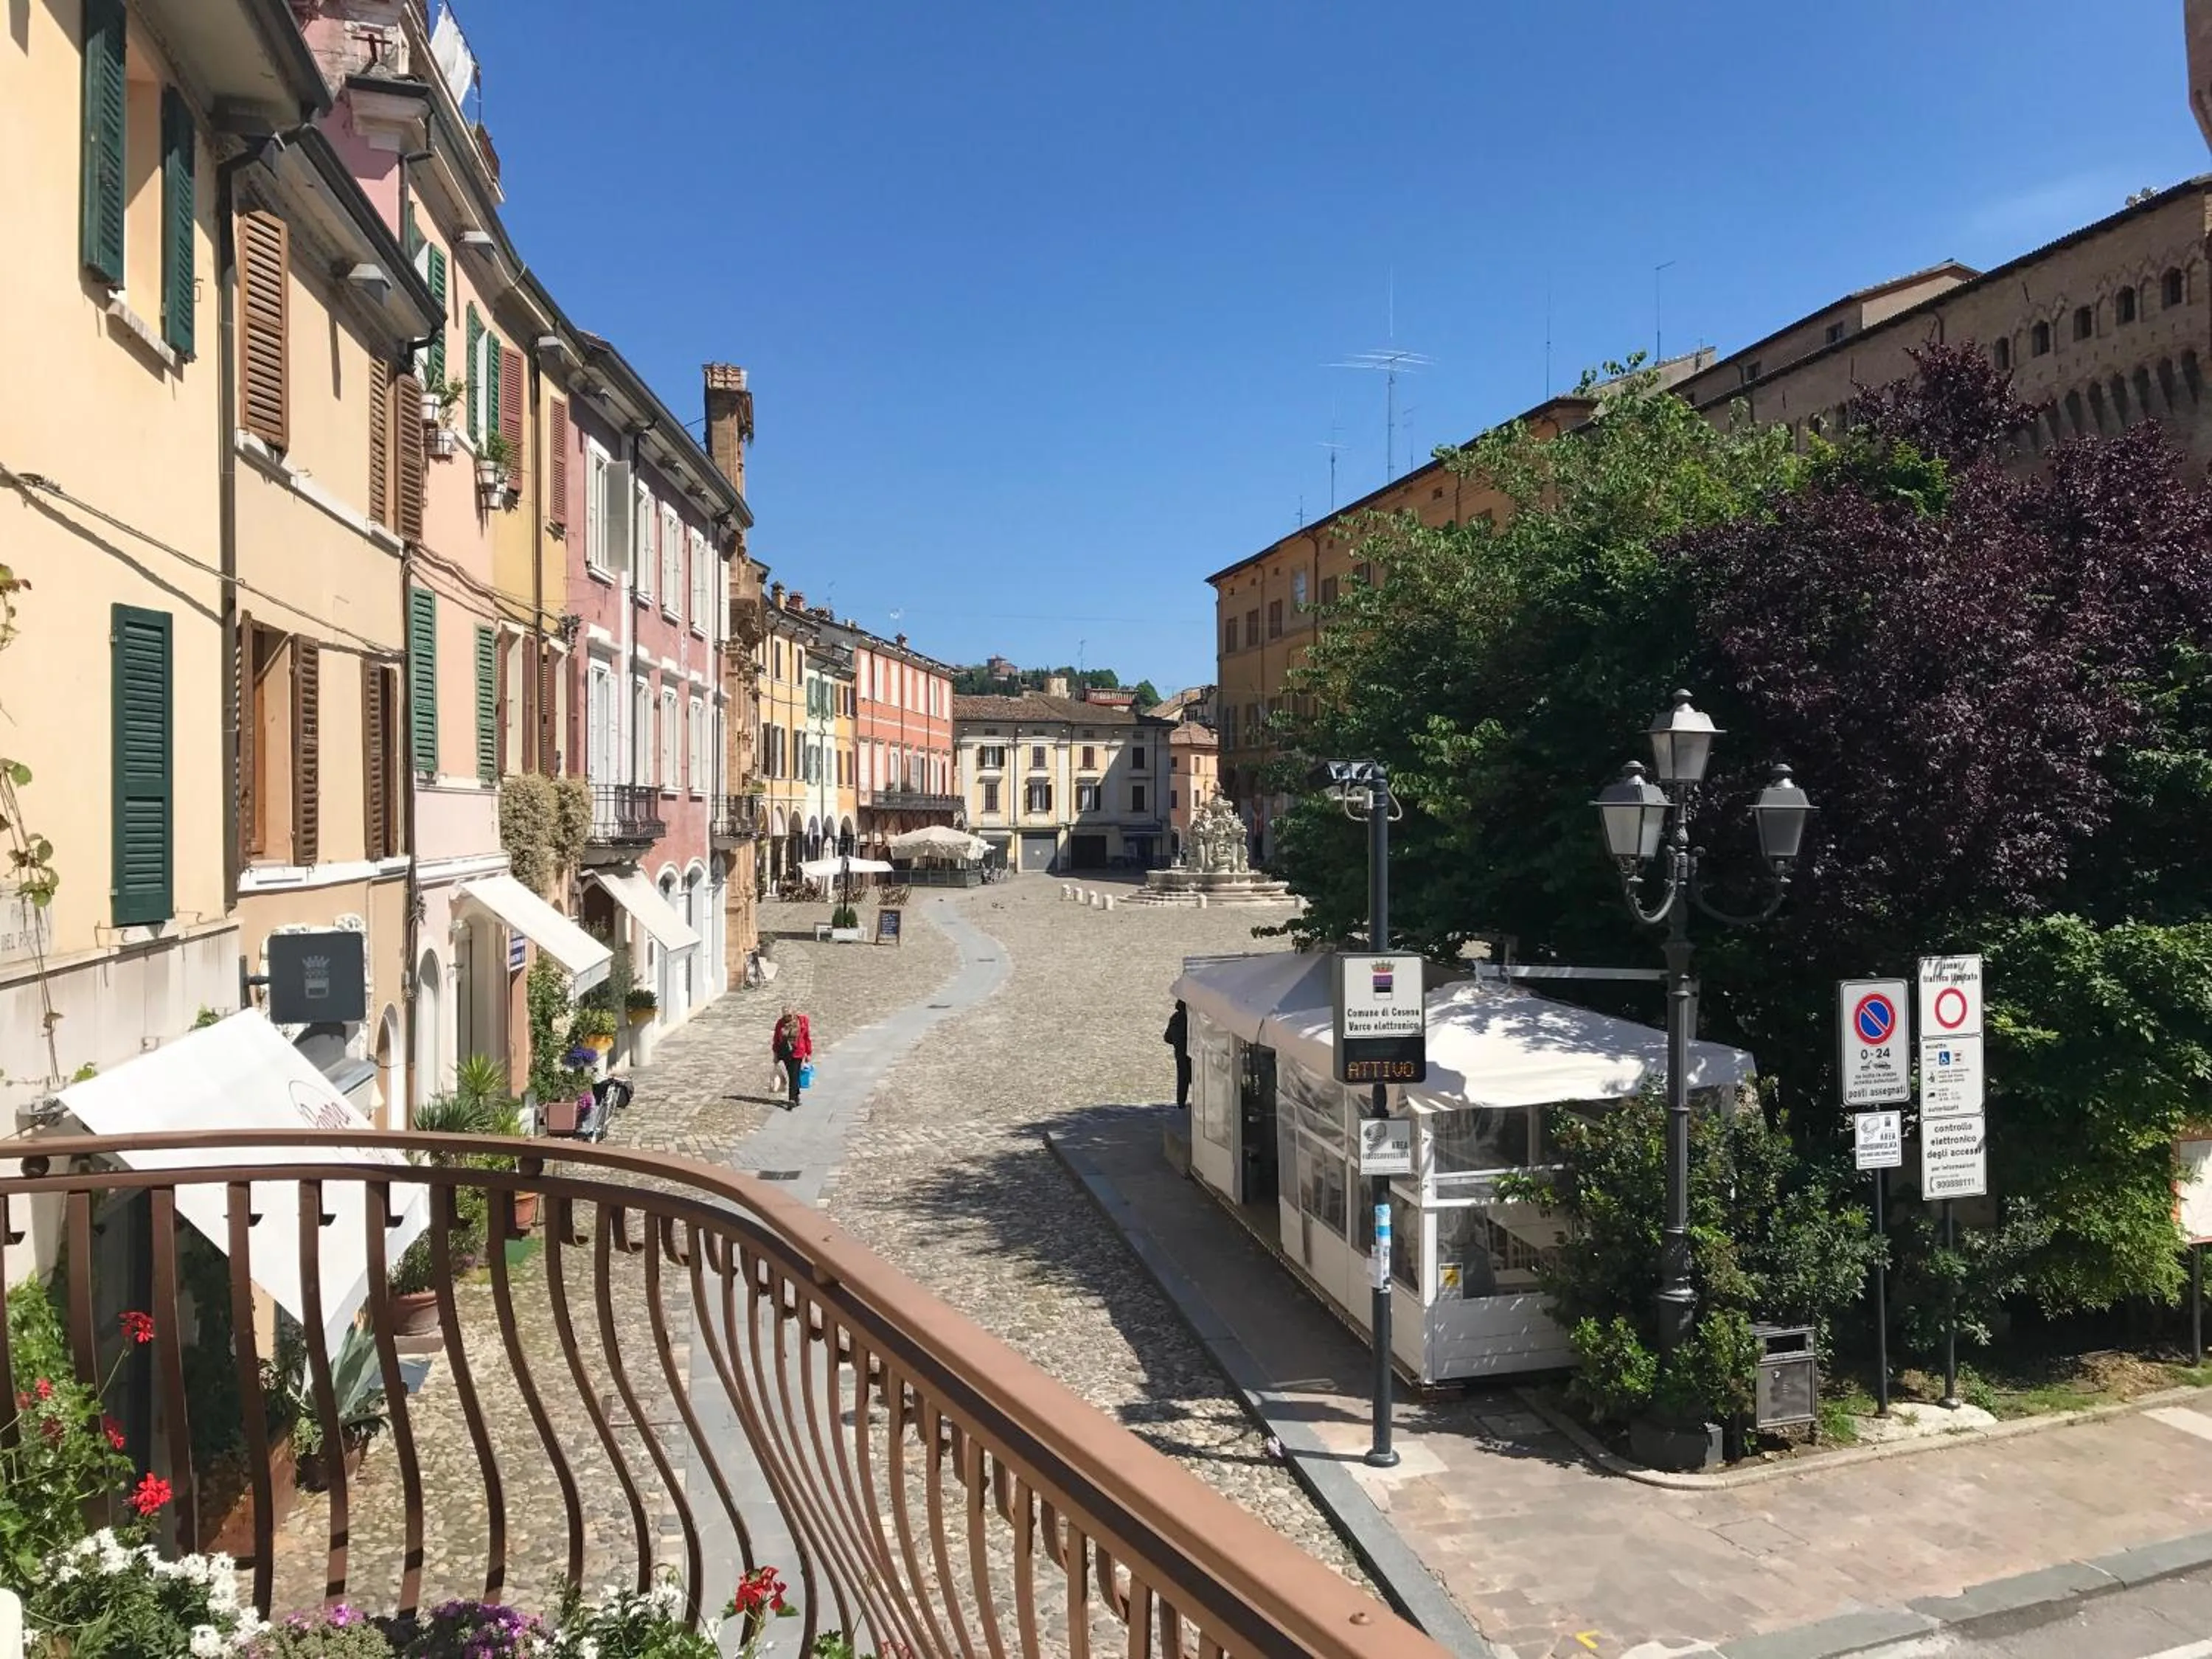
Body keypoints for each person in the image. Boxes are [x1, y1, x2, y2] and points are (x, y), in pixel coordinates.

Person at [772, 1006, 813, 1107]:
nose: (787, 1018)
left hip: (798, 1051)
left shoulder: (802, 1021)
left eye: (789, 1016)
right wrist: (775, 1054)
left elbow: (807, 1037)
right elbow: (776, 1039)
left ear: (794, 1014)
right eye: (785, 1016)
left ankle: (792, 1099)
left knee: (794, 1075)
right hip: (785, 1053)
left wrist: (808, 1053)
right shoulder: (780, 1024)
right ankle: (796, 1095)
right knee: (792, 1075)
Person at [1164, 1000, 1191, 1110]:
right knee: (1197, 1077)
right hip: (1191, 1053)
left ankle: (1181, 1102)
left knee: (1182, 1079)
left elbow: (1167, 1038)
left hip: (1180, 1052)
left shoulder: (1174, 1018)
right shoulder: (1191, 1019)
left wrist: (1176, 1043)